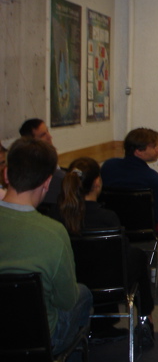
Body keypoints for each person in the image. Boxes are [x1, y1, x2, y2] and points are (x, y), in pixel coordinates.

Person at [0, 138, 93, 359]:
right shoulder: (53, 232)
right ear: (47, 182)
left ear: (6, 174)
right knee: (83, 294)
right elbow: (66, 300)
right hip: (40, 337)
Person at [57, 157, 155, 346]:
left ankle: (101, 326)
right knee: (137, 256)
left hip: (71, 281)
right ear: (97, 183)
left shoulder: (57, 216)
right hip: (108, 286)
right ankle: (145, 319)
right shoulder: (107, 218)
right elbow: (122, 256)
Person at [101, 128, 158, 273]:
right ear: (139, 151)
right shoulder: (152, 178)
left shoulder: (108, 166)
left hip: (111, 223)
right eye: (154, 146)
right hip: (144, 228)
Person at [19, 118, 66, 210]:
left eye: (47, 131)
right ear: (32, 142)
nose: (50, 137)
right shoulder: (42, 174)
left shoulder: (53, 166)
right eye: (43, 135)